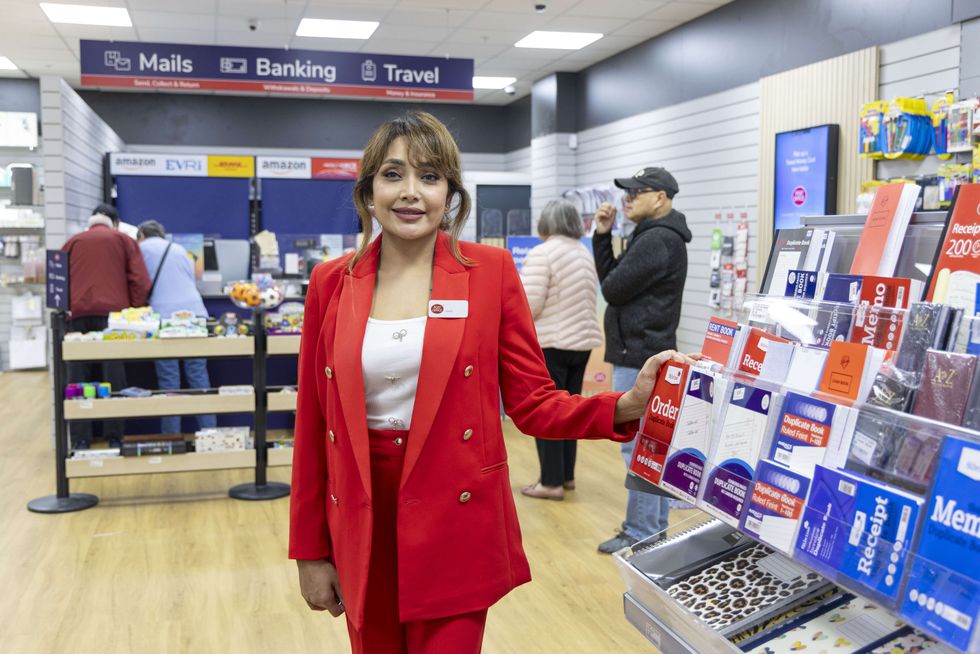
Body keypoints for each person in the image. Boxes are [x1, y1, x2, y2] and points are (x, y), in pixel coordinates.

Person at [289, 111, 692, 654]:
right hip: (360, 516)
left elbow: (534, 402)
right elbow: (314, 424)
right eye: (393, 174)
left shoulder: (490, 272)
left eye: (430, 177)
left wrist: (626, 404)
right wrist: (310, 551)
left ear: (450, 193)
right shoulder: (331, 282)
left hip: (453, 517)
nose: (410, 192)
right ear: (368, 190)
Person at [592, 167, 693, 554]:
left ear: (661, 198)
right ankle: (650, 530)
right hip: (641, 352)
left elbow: (613, 289)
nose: (628, 199)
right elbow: (613, 281)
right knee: (647, 447)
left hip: (640, 355)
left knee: (637, 447)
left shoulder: (657, 240)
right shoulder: (651, 235)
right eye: (627, 192)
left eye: (638, 192)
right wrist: (603, 236)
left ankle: (642, 533)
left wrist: (606, 243)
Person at [518, 199, 602, 501]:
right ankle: (566, 476)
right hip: (582, 345)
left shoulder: (543, 253)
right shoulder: (584, 254)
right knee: (570, 412)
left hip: (550, 344)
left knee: (547, 412)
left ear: (547, 222)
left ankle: (550, 482)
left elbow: (528, 305)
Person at [62, 203, 151, 450]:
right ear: (115, 223)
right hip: (113, 317)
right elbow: (140, 280)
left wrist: (67, 307)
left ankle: (80, 440)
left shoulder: (72, 242)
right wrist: (134, 311)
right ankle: (114, 437)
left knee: (77, 378)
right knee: (113, 375)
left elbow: (58, 279)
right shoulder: (123, 241)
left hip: (77, 315)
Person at [137, 220, 216, 435]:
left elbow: (137, 282)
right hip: (195, 315)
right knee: (198, 376)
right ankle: (210, 436)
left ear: (142, 235)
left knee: (169, 380)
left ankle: (172, 438)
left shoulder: (140, 249)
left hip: (164, 317)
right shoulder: (180, 249)